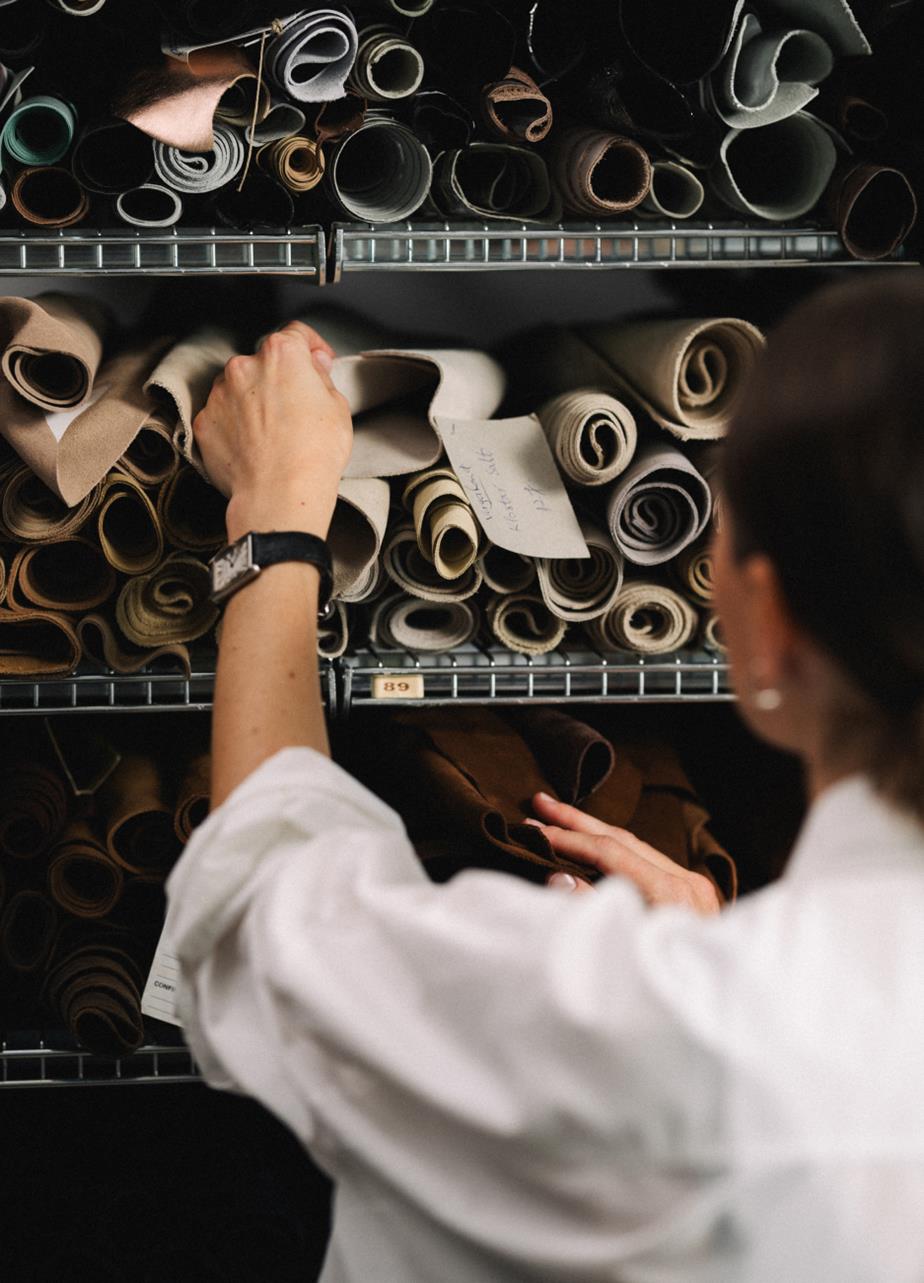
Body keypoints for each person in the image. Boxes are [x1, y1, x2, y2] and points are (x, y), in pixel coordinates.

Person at [164, 275, 924, 1283]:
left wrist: (278, 512)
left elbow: (264, 907)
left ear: (771, 622)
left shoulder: (643, 1031)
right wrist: (719, 955)